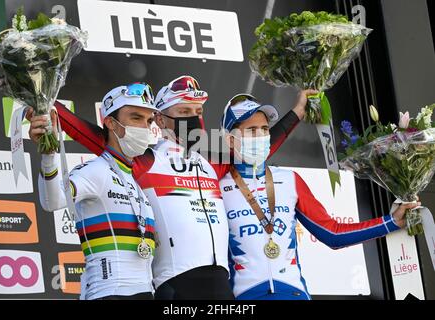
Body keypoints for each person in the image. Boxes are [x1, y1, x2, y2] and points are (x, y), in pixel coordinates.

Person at [52, 75, 316, 299]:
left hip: (221, 285)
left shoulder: (212, 161)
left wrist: (298, 111)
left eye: (198, 112)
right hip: (176, 284)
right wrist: (48, 107)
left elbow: (258, 147)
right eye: (184, 112)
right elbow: (98, 138)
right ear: (162, 120)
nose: (194, 120)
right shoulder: (146, 159)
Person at [218, 94, 420, 300]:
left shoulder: (289, 180)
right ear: (230, 139)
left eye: (265, 130)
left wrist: (391, 222)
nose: (261, 136)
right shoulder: (216, 187)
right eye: (252, 130)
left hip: (294, 294)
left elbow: (333, 234)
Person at [28, 83, 158, 300]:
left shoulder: (134, 179)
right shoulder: (96, 170)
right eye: (136, 118)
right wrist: (49, 157)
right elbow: (53, 201)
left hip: (145, 291)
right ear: (110, 123)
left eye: (149, 120)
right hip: (108, 293)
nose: (145, 127)